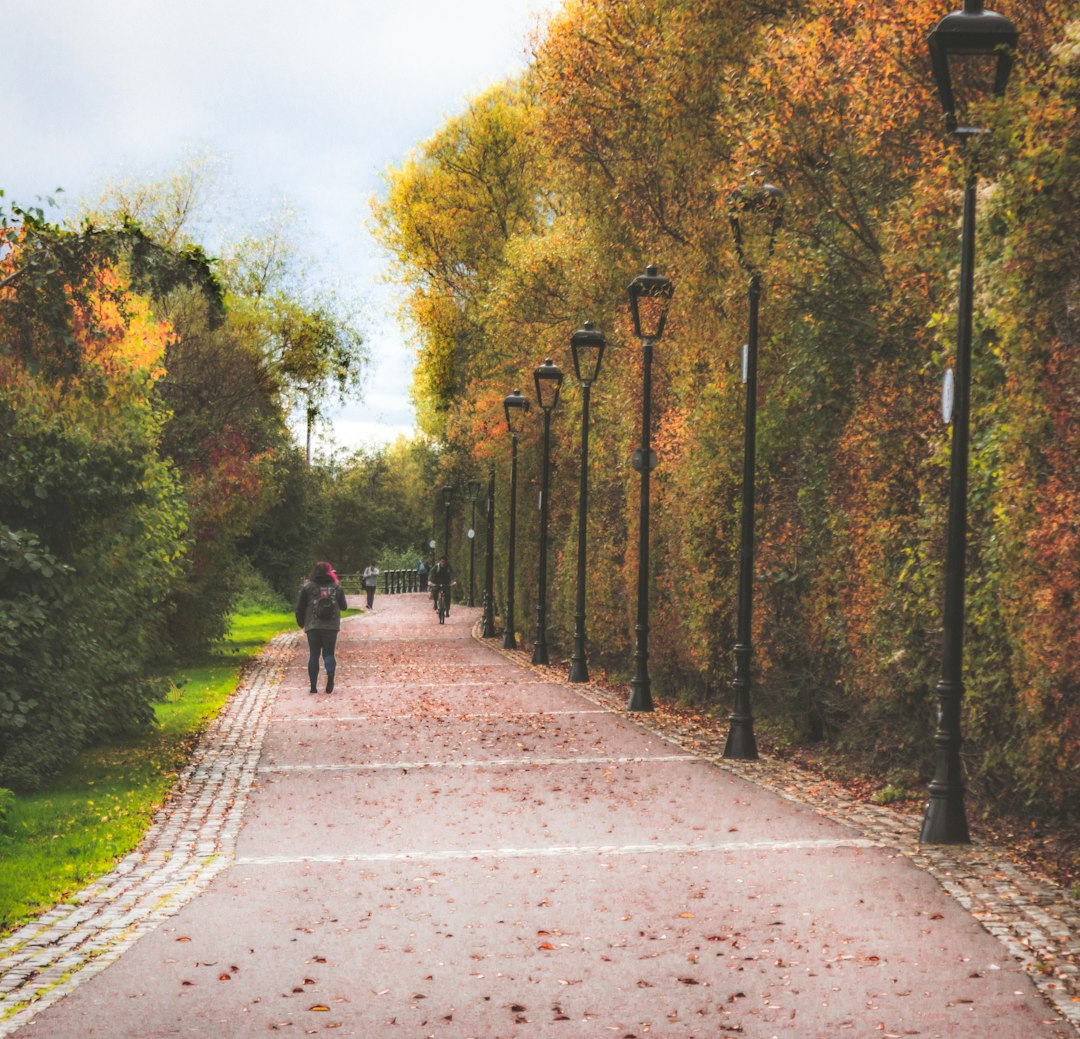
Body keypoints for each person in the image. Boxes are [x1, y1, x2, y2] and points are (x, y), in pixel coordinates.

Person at [295, 561, 347, 694]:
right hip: (331, 626)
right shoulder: (336, 588)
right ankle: (330, 673)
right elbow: (344, 606)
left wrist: (302, 623)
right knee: (328, 653)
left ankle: (313, 685)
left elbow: (300, 608)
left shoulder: (308, 588)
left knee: (314, 654)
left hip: (313, 625)